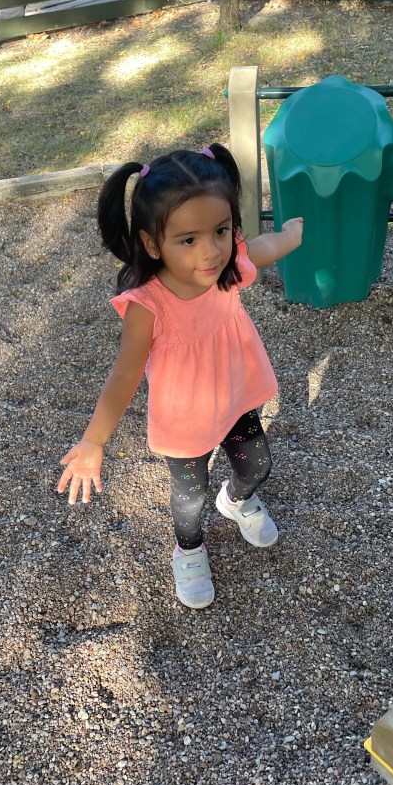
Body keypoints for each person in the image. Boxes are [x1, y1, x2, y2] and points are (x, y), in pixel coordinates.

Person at [57, 144, 303, 609]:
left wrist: (290, 235)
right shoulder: (149, 305)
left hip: (235, 396)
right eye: (188, 240)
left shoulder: (226, 271)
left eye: (221, 231)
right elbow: (124, 374)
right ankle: (188, 551)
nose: (210, 251)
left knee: (257, 465)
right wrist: (94, 441)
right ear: (152, 243)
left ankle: (237, 501)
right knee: (190, 498)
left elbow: (260, 250)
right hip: (185, 419)